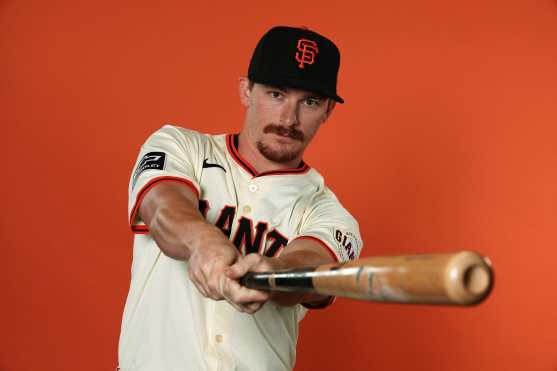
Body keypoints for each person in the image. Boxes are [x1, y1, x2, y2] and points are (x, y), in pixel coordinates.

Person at [118, 25, 363, 371]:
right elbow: (161, 207)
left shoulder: (329, 214)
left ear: (327, 111)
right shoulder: (180, 146)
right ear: (246, 90)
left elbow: (312, 267)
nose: (288, 119)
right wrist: (202, 243)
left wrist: (275, 272)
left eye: (308, 102)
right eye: (276, 94)